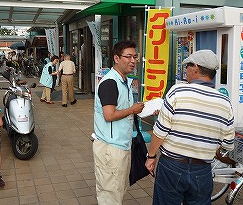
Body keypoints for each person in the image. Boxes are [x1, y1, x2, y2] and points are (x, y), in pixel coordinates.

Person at [145, 50, 235, 205]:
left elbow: (160, 132)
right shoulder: (224, 102)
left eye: (187, 66)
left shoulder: (177, 91)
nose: (185, 70)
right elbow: (228, 143)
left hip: (172, 166)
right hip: (203, 171)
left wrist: (151, 156)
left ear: (196, 68)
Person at [93, 40, 145, 205]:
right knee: (110, 195)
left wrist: (143, 110)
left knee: (117, 191)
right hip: (111, 149)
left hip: (121, 146)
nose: (133, 61)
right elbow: (109, 115)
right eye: (128, 57)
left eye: (135, 57)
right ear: (116, 58)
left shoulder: (124, 81)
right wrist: (132, 110)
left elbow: (123, 109)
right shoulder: (110, 83)